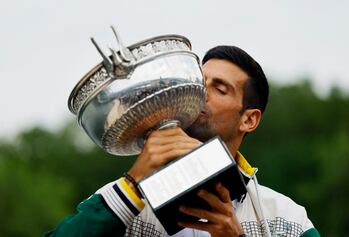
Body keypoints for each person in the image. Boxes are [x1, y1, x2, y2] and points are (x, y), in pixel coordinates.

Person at [45, 46, 320, 237]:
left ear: (249, 120)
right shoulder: (125, 202)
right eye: (200, 81)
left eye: (219, 88)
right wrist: (132, 183)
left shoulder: (285, 218)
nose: (202, 92)